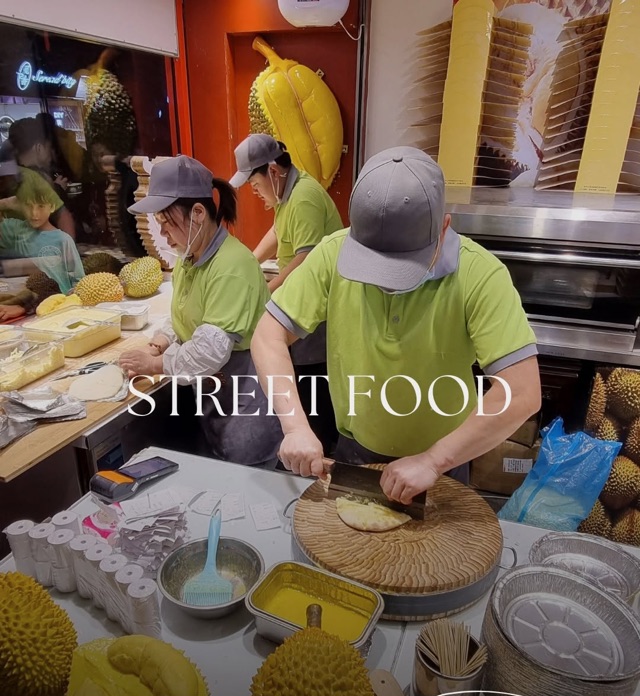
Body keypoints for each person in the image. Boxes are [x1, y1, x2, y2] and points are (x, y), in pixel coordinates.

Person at [250, 147, 541, 503]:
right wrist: (294, 426)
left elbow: (523, 391)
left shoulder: (480, 275)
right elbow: (268, 334)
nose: (386, 283)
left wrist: (434, 460)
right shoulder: (333, 253)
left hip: (445, 462)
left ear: (444, 228)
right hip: (355, 451)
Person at [119, 155, 282, 468]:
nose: (163, 234)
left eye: (167, 223)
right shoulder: (189, 258)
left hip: (245, 404)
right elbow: (187, 310)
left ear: (197, 213)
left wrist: (154, 364)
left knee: (247, 483)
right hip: (215, 401)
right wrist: (163, 338)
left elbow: (209, 352)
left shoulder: (232, 266)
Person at [230, 133, 342, 453]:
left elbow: (306, 259)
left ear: (273, 173)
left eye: (255, 185)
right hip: (300, 304)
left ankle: (318, 458)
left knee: (312, 396)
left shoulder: (304, 196)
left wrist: (267, 291)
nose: (255, 193)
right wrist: (248, 265)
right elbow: (278, 232)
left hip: (315, 314)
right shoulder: (288, 194)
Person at [0, 178, 84, 320]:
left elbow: (79, 281)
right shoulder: (16, 230)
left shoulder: (63, 240)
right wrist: (6, 203)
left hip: (57, 308)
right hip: (27, 309)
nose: (34, 213)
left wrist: (71, 302)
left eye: (40, 206)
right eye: (28, 205)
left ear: (51, 206)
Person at [7, 118, 75, 238]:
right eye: (48, 147)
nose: (51, 153)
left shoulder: (8, 175)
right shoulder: (36, 178)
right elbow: (63, 217)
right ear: (38, 148)